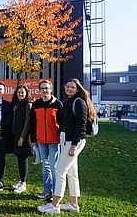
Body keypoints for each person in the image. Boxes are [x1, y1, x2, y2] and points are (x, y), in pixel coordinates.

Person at [38, 78, 96, 214]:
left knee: (59, 170)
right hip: (67, 141)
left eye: (72, 87)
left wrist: (74, 146)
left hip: (74, 142)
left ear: (77, 89)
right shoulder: (70, 101)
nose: (69, 88)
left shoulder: (79, 102)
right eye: (67, 86)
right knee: (72, 173)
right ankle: (73, 204)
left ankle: (54, 205)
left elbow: (81, 127)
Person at [30, 80, 63, 200]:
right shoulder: (36, 104)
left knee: (54, 167)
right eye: (42, 88)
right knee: (45, 167)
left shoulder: (57, 104)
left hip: (54, 140)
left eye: (47, 88)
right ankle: (47, 191)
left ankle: (56, 193)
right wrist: (33, 138)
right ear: (39, 90)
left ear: (51, 90)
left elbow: (62, 123)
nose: (45, 90)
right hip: (41, 141)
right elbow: (32, 123)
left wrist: (61, 137)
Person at [11, 85, 33, 193]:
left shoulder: (28, 105)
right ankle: (21, 181)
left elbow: (28, 122)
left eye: (22, 92)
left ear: (26, 93)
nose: (20, 94)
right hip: (16, 136)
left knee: (23, 160)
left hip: (23, 137)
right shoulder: (17, 104)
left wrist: (22, 137)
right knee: (19, 159)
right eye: (19, 92)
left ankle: (23, 183)